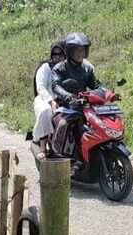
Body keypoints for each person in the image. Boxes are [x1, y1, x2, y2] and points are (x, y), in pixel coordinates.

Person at [51, 32, 102, 161]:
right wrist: (68, 96)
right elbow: (56, 86)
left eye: (83, 50)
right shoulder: (59, 68)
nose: (81, 53)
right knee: (63, 124)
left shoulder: (87, 69)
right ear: (69, 51)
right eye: (77, 50)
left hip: (85, 106)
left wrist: (106, 92)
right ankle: (57, 156)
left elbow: (95, 85)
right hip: (66, 106)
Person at [32, 40, 65, 154]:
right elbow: (40, 87)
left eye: (60, 54)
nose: (58, 57)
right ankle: (42, 146)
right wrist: (51, 101)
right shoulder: (46, 67)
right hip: (44, 99)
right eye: (55, 54)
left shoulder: (66, 68)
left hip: (62, 99)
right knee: (46, 111)